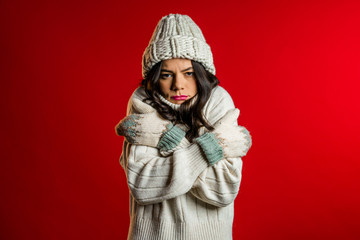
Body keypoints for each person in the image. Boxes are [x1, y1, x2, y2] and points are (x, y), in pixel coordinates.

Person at [115, 13, 252, 240]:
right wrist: (211, 147)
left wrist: (165, 136)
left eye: (188, 73)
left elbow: (223, 189)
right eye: (167, 75)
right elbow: (143, 184)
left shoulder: (219, 101)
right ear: (155, 77)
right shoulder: (142, 101)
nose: (178, 85)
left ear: (201, 72)